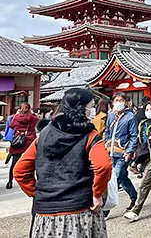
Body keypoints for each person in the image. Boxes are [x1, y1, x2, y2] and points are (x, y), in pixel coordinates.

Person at [14, 88, 112, 237]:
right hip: (79, 208)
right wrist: (97, 194)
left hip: (45, 213)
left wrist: (38, 192)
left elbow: (20, 171)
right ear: (82, 108)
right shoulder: (90, 136)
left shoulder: (45, 134)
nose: (92, 111)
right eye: (91, 107)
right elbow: (103, 166)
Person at [104, 92, 138, 211]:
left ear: (126, 102)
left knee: (115, 178)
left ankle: (106, 210)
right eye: (116, 100)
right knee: (123, 178)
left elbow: (134, 136)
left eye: (121, 100)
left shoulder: (130, 117)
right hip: (111, 152)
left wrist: (129, 151)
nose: (118, 103)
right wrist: (105, 146)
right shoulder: (111, 116)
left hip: (123, 153)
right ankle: (134, 196)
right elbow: (107, 132)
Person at [6, 103, 38, 189]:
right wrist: (32, 113)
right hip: (29, 142)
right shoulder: (33, 118)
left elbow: (11, 126)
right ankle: (33, 181)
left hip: (18, 141)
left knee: (14, 163)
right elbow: (36, 121)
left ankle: (10, 182)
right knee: (31, 162)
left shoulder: (16, 117)